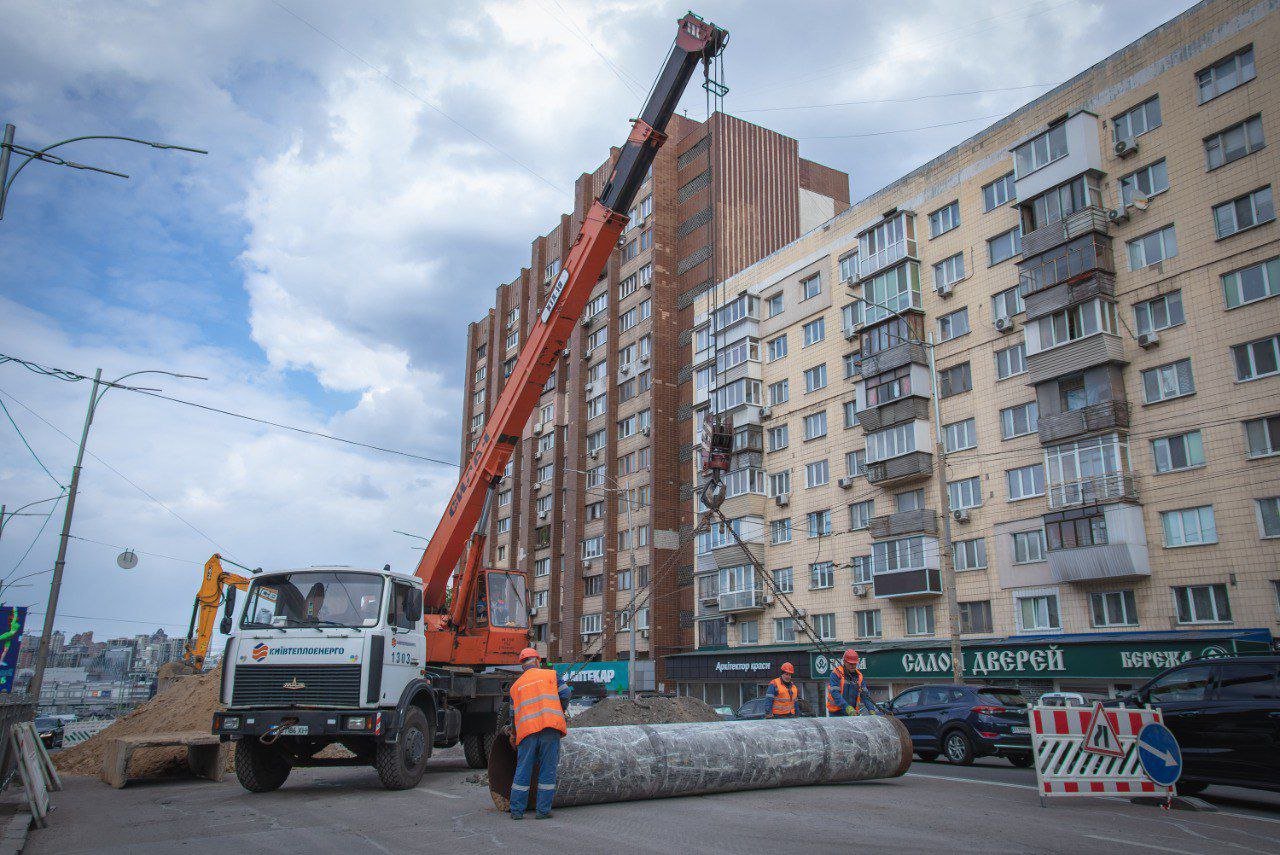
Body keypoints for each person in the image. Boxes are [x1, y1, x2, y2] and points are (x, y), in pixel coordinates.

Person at [508, 648, 570, 820]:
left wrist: (513, 735)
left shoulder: (515, 687)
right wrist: (561, 709)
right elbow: (566, 693)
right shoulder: (551, 676)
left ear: (522, 666)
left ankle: (516, 811)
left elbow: (512, 716)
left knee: (523, 769)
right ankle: (543, 811)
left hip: (527, 732)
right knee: (547, 770)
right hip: (550, 728)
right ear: (537, 661)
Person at [826, 649, 865, 716]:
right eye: (850, 663)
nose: (852, 665)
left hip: (853, 713)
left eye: (854, 663)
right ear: (844, 662)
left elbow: (865, 695)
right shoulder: (836, 673)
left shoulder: (859, 676)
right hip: (836, 713)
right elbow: (835, 693)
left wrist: (871, 710)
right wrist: (847, 707)